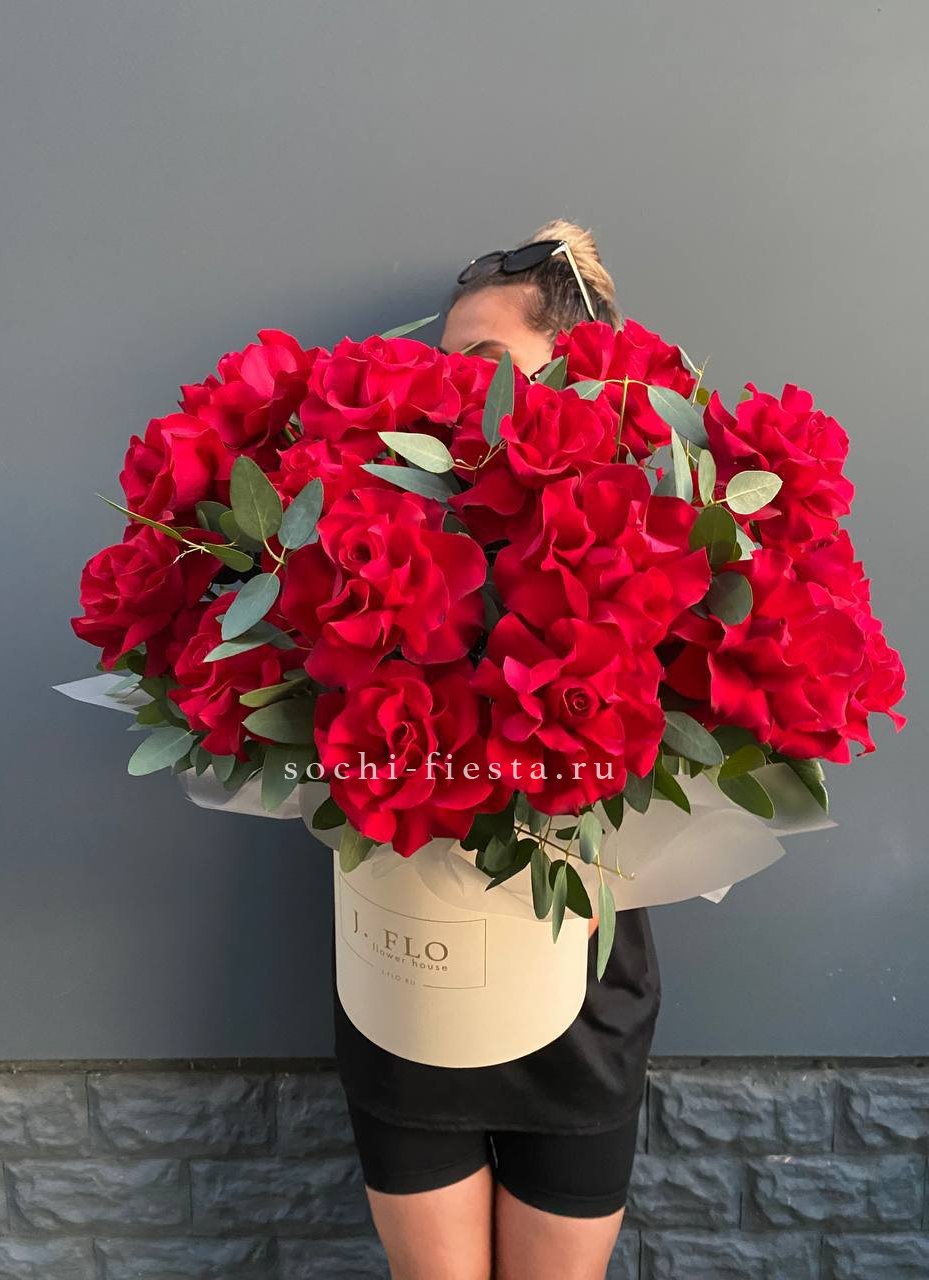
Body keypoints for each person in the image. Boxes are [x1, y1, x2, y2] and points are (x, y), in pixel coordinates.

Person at [333, 219, 661, 1280]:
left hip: (573, 985)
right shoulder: (380, 501)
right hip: (412, 973)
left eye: (484, 362)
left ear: (577, 372)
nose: (455, 388)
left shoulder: (659, 517)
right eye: (446, 362)